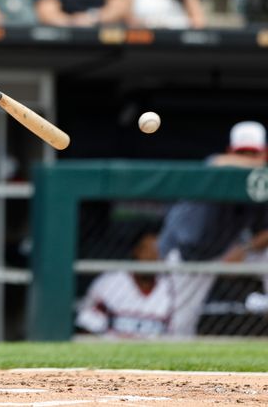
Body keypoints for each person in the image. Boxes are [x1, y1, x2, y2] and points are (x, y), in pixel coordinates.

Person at [157, 121, 268, 336]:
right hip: (188, 254)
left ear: (264, 153)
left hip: (226, 248)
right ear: (231, 151)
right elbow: (218, 162)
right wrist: (256, 164)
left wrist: (244, 249)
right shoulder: (216, 166)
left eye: (253, 153)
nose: (247, 158)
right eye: (242, 152)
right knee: (179, 326)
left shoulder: (260, 182)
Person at [76, 228, 178, 338]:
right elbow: (86, 330)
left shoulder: (171, 287)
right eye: (146, 250)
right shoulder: (109, 283)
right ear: (135, 251)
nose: (151, 257)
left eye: (157, 250)